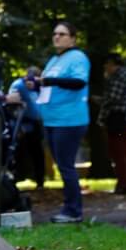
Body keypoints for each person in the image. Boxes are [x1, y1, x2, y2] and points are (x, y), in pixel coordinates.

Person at [36, 22, 90, 223]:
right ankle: (69, 208)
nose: (57, 37)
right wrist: (35, 83)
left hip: (69, 120)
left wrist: (51, 82)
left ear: (73, 38)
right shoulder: (54, 59)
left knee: (66, 166)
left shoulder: (77, 57)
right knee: (62, 166)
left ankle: (73, 211)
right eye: (55, 34)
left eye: (62, 34)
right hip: (52, 119)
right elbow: (48, 85)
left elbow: (79, 82)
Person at [99, 53, 126, 195]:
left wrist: (98, 100)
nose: (105, 67)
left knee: (118, 152)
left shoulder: (118, 76)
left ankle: (125, 183)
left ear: (112, 63)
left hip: (118, 119)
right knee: (125, 151)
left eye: (106, 64)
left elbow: (113, 98)